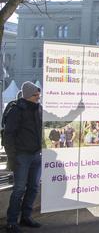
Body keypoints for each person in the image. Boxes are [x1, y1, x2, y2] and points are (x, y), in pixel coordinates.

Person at [3, 82, 43, 232]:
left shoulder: (39, 108)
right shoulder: (16, 110)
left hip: (35, 155)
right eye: (35, 95)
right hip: (21, 156)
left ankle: (26, 217)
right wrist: (12, 158)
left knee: (33, 187)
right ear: (27, 96)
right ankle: (11, 222)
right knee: (19, 189)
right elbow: (8, 135)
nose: (38, 97)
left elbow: (54, 121)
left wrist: (76, 112)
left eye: (39, 95)